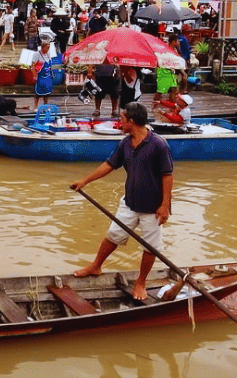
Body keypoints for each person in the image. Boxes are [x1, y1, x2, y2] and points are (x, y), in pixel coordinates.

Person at [70, 102, 173, 301]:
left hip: (152, 208)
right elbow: (109, 165)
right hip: (130, 202)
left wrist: (164, 206)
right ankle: (96, 266)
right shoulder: (125, 144)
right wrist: (85, 181)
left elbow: (167, 176)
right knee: (113, 235)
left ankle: (141, 282)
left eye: (122, 119)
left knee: (150, 247)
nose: (119, 122)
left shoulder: (158, 144)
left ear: (132, 122)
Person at [31, 39, 54, 110]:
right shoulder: (37, 54)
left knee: (47, 92)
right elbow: (33, 66)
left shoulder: (48, 54)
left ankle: (45, 106)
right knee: (38, 92)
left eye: (48, 47)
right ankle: (35, 106)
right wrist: (34, 75)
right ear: (42, 47)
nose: (48, 49)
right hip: (40, 75)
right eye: (47, 47)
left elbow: (50, 65)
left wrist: (51, 73)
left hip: (48, 76)